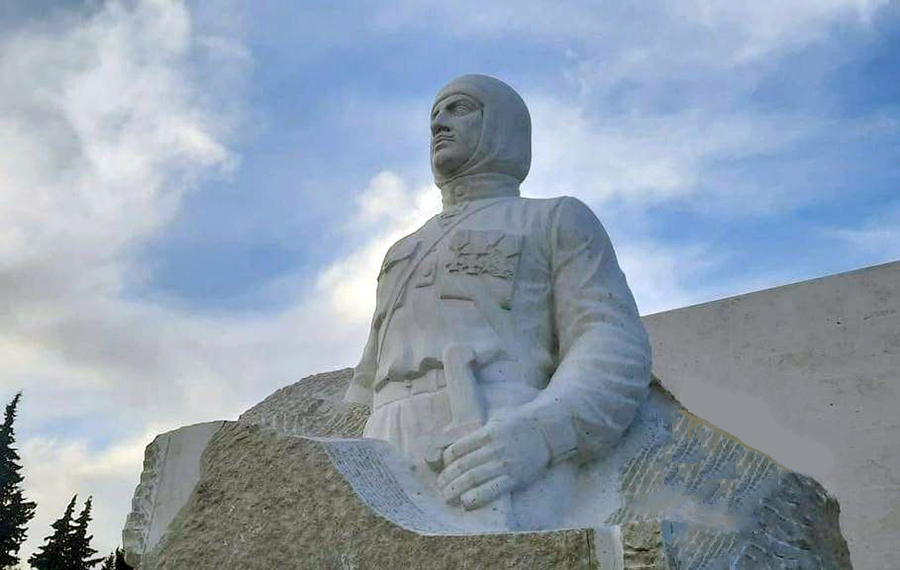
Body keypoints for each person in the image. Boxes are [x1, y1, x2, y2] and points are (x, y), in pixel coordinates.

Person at [345, 74, 652, 529]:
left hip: (495, 434)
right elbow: (364, 381)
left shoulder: (553, 219)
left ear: (504, 126)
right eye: (434, 115)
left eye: (459, 109)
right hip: (384, 441)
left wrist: (545, 432)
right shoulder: (402, 251)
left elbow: (610, 340)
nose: (439, 125)